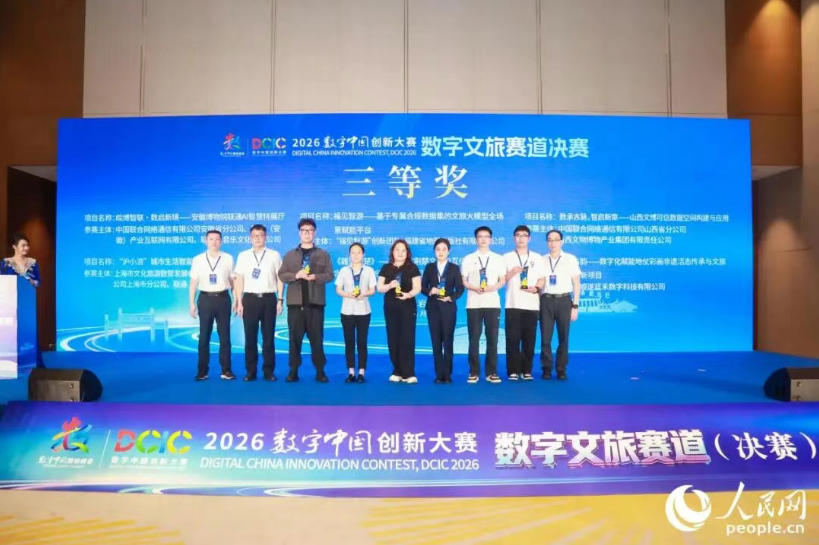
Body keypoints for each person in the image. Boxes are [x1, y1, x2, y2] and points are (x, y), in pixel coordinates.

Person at [278, 218, 333, 382]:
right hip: (296, 306)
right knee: (294, 340)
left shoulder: (323, 254)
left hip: (316, 305)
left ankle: (320, 371)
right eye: (304, 230)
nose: (307, 233)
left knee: (317, 340)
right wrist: (296, 275)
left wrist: (316, 277)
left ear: (314, 233)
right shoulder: (290, 255)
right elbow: (282, 275)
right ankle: (293, 371)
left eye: (310, 230)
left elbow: (330, 275)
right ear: (299, 233)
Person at [233, 224, 283, 382]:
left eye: (260, 235)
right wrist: (239, 302)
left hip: (269, 299)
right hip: (249, 299)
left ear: (265, 237)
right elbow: (239, 280)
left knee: (268, 338)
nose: (257, 238)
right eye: (254, 235)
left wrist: (280, 299)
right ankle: (251, 372)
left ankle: (269, 372)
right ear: (250, 238)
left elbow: (280, 278)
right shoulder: (243, 255)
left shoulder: (274, 255)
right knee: (250, 338)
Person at [461, 226, 506, 384]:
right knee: (473, 339)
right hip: (474, 303)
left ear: (491, 239)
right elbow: (464, 280)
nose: (483, 239)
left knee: (492, 338)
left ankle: (491, 372)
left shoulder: (498, 258)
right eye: (480, 236)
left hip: (492, 303)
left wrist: (493, 287)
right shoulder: (468, 259)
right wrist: (473, 287)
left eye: (486, 236)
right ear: (476, 239)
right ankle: (473, 372)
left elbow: (503, 279)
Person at [189, 230, 235, 381]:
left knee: (225, 337)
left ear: (221, 241)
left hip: (223, 299)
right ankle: (202, 371)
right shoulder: (198, 259)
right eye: (211, 239)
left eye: (217, 239)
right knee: (204, 337)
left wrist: (236, 300)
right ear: (206, 241)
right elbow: (193, 283)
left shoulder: (228, 258)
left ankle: (226, 370)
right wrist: (191, 303)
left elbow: (232, 281)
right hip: (205, 299)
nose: (214, 242)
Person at [503, 225, 545, 381]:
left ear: (529, 238)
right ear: (514, 238)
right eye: (518, 235)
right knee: (512, 339)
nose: (521, 238)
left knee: (529, 339)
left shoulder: (537, 257)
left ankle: (527, 370)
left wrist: (536, 288)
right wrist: (512, 272)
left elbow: (542, 278)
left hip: (531, 304)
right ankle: (513, 371)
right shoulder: (506, 257)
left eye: (524, 235)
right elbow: (500, 280)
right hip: (513, 304)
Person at [377, 239, 422, 383]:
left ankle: (409, 373)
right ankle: (397, 371)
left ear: (407, 253)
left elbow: (418, 287)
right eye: (397, 250)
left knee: (407, 339)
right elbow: (379, 288)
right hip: (390, 307)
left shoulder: (412, 268)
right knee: (393, 338)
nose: (400, 253)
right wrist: (390, 285)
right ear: (392, 252)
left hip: (408, 307)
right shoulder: (386, 268)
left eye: (403, 250)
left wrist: (408, 295)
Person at [539, 229, 581, 380]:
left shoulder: (570, 259)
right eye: (550, 240)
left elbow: (577, 284)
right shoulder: (541, 260)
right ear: (547, 242)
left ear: (562, 242)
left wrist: (575, 306)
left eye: (556, 240)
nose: (553, 243)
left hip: (564, 300)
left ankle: (561, 369)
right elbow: (539, 283)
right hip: (546, 300)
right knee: (545, 338)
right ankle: (546, 368)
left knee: (563, 337)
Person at [421, 238, 463, 383]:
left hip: (448, 308)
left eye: (444, 249)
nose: (441, 252)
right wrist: (430, 291)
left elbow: (460, 289)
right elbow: (422, 287)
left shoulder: (454, 268)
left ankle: (448, 374)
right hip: (433, 308)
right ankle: (439, 375)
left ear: (448, 251)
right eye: (438, 249)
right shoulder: (429, 267)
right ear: (434, 251)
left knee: (448, 341)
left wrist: (451, 297)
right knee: (436, 342)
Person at [335, 242, 376, 383]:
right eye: (353, 252)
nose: (356, 255)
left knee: (362, 342)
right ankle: (351, 371)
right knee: (349, 342)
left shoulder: (369, 270)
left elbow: (373, 290)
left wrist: (364, 294)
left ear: (363, 254)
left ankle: (362, 372)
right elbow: (338, 289)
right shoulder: (344, 270)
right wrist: (348, 294)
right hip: (347, 311)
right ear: (349, 255)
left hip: (364, 311)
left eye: (359, 252)